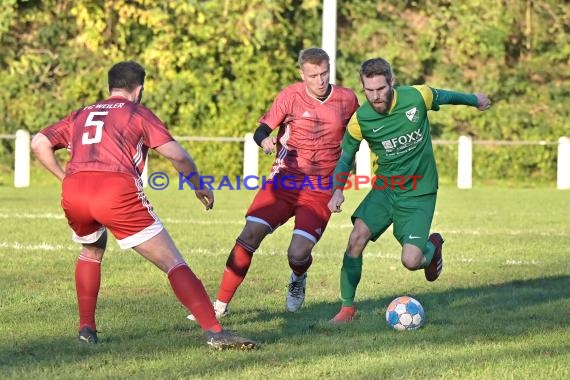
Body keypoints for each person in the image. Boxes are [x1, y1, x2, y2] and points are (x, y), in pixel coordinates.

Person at [30, 61, 257, 349]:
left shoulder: (82, 113)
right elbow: (179, 157)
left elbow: (39, 143)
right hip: (116, 191)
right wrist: (198, 184)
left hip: (75, 191)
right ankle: (214, 331)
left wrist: (65, 179)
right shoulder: (136, 112)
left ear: (110, 86)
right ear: (139, 89)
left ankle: (87, 329)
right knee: (173, 261)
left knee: (92, 249)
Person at [187, 47, 359, 320]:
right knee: (250, 234)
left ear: (330, 69)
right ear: (302, 73)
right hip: (284, 181)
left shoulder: (347, 99)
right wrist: (264, 140)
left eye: (324, 73)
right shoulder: (290, 96)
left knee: (298, 253)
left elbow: (354, 142)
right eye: (313, 75)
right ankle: (219, 305)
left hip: (321, 187)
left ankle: (298, 277)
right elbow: (262, 130)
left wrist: (341, 185)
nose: (320, 80)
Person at [327, 57, 491, 324]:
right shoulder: (361, 120)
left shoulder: (416, 97)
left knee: (411, 261)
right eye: (369, 91)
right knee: (356, 240)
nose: (376, 96)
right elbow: (346, 157)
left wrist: (474, 99)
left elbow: (445, 96)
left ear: (392, 82)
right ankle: (347, 309)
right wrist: (337, 190)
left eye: (381, 89)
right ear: (363, 87)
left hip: (419, 191)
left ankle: (432, 247)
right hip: (385, 190)